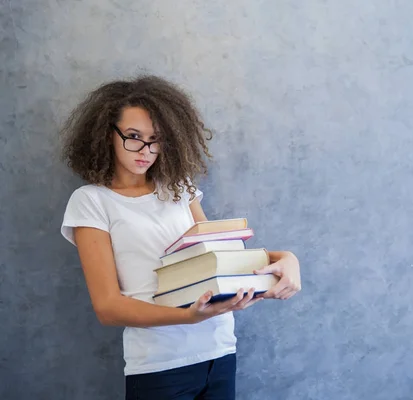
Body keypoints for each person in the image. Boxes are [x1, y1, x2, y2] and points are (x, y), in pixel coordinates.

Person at [59, 75, 301, 399]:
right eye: (133, 137)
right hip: (161, 365)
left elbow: (213, 260)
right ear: (107, 135)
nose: (146, 150)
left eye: (155, 139)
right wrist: (187, 317)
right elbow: (108, 306)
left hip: (219, 351)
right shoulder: (91, 201)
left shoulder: (179, 187)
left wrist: (284, 259)